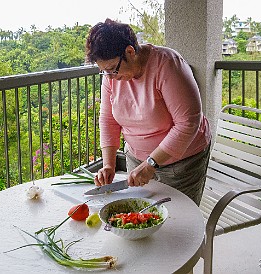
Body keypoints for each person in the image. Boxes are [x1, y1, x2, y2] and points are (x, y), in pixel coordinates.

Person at [85, 19, 212, 205]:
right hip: (137, 159)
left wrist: (152, 163)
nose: (110, 77)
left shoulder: (167, 64)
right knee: (141, 215)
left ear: (130, 51)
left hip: (181, 164)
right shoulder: (112, 77)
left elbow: (188, 123)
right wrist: (108, 165)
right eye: (104, 72)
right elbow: (108, 120)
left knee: (178, 220)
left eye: (112, 69)